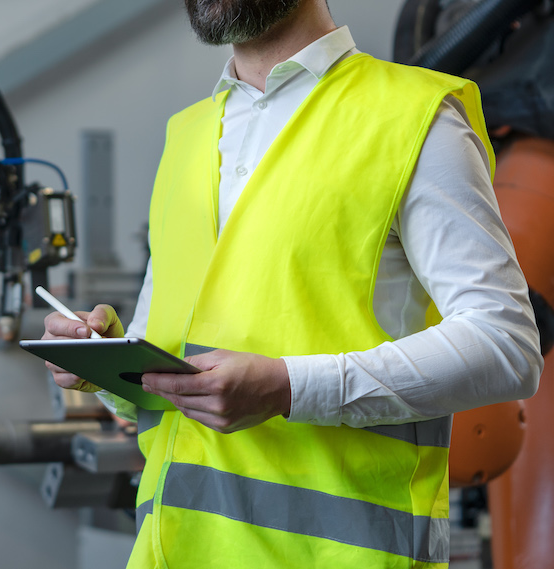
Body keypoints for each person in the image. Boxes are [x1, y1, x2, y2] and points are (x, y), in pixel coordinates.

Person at [42, 0, 543, 567]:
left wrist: (288, 387)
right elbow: (167, 397)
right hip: (172, 552)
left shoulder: (411, 118)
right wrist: (107, 366)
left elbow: (506, 346)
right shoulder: (187, 135)